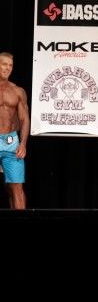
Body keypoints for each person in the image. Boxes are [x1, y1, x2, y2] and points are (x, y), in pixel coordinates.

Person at [0, 52, 30, 209]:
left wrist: (23, 143)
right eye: (4, 64)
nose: (7, 68)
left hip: (10, 142)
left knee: (16, 188)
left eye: (10, 65)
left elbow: (24, 120)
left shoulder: (18, 91)